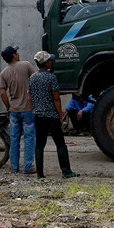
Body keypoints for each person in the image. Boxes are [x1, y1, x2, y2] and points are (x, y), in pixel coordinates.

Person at [28, 51, 79, 180]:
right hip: (51, 116)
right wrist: (60, 116)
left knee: (39, 145)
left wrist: (34, 111)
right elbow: (56, 98)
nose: (51, 62)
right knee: (60, 143)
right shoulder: (51, 77)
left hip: (38, 117)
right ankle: (66, 171)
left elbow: (30, 98)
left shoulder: (32, 78)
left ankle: (40, 174)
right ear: (46, 63)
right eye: (49, 60)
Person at [0, 45, 36, 174]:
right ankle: (28, 166)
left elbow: (2, 93)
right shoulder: (26, 65)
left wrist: (8, 107)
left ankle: (14, 167)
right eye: (16, 52)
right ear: (14, 55)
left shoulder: (3, 73)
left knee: (14, 139)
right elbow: (35, 81)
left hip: (14, 109)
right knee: (29, 138)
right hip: (28, 108)